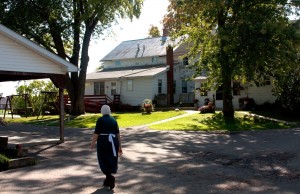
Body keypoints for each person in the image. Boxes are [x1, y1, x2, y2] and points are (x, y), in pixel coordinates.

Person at [90, 105, 123, 190]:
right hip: (113, 142)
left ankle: (110, 177)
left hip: (103, 142)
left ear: (102, 111)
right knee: (111, 159)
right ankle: (108, 180)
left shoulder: (100, 120)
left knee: (103, 159)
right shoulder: (114, 120)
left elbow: (96, 133)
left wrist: (93, 143)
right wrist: (120, 145)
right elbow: (118, 134)